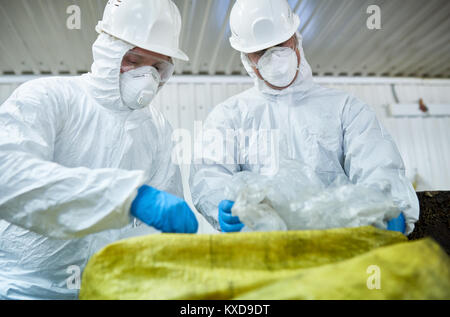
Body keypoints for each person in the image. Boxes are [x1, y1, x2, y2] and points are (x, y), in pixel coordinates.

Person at [0, 0, 197, 300]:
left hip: (104, 290)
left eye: (158, 67)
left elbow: (161, 220)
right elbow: (8, 176)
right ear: (108, 50)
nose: (147, 78)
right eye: (133, 59)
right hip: (23, 287)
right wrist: (127, 197)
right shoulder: (49, 97)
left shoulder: (156, 128)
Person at [189, 0, 418, 235]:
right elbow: (209, 175)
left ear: (296, 38)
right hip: (263, 252)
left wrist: (391, 207)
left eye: (280, 44)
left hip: (339, 248)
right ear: (247, 59)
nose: (275, 58)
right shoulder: (229, 116)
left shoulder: (346, 109)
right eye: (260, 52)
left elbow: (379, 167)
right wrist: (222, 205)